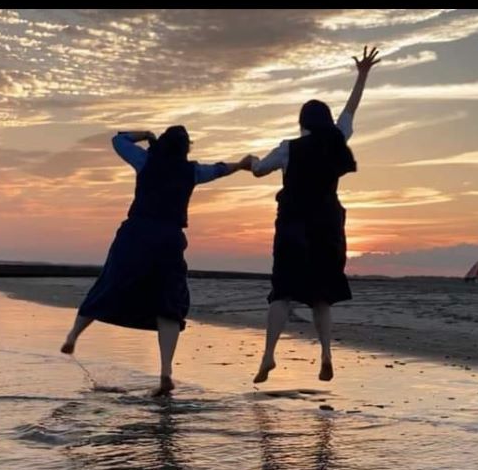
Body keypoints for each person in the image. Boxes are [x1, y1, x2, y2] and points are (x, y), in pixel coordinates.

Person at [61, 125, 255, 396]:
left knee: (109, 283)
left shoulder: (146, 161)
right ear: (186, 149)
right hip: (168, 238)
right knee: (169, 304)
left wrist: (145, 135)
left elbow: (118, 140)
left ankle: (73, 336)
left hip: (137, 233)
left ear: (161, 144)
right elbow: (220, 169)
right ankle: (165, 372)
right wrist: (242, 164)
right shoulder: (191, 171)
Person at [250, 46, 380, 383]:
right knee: (322, 295)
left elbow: (259, 170)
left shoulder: (288, 148)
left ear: (302, 122)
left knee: (282, 292)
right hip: (328, 225)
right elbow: (351, 110)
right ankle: (325, 353)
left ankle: (268, 356)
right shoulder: (337, 140)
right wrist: (362, 75)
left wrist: (250, 162)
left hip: (293, 225)